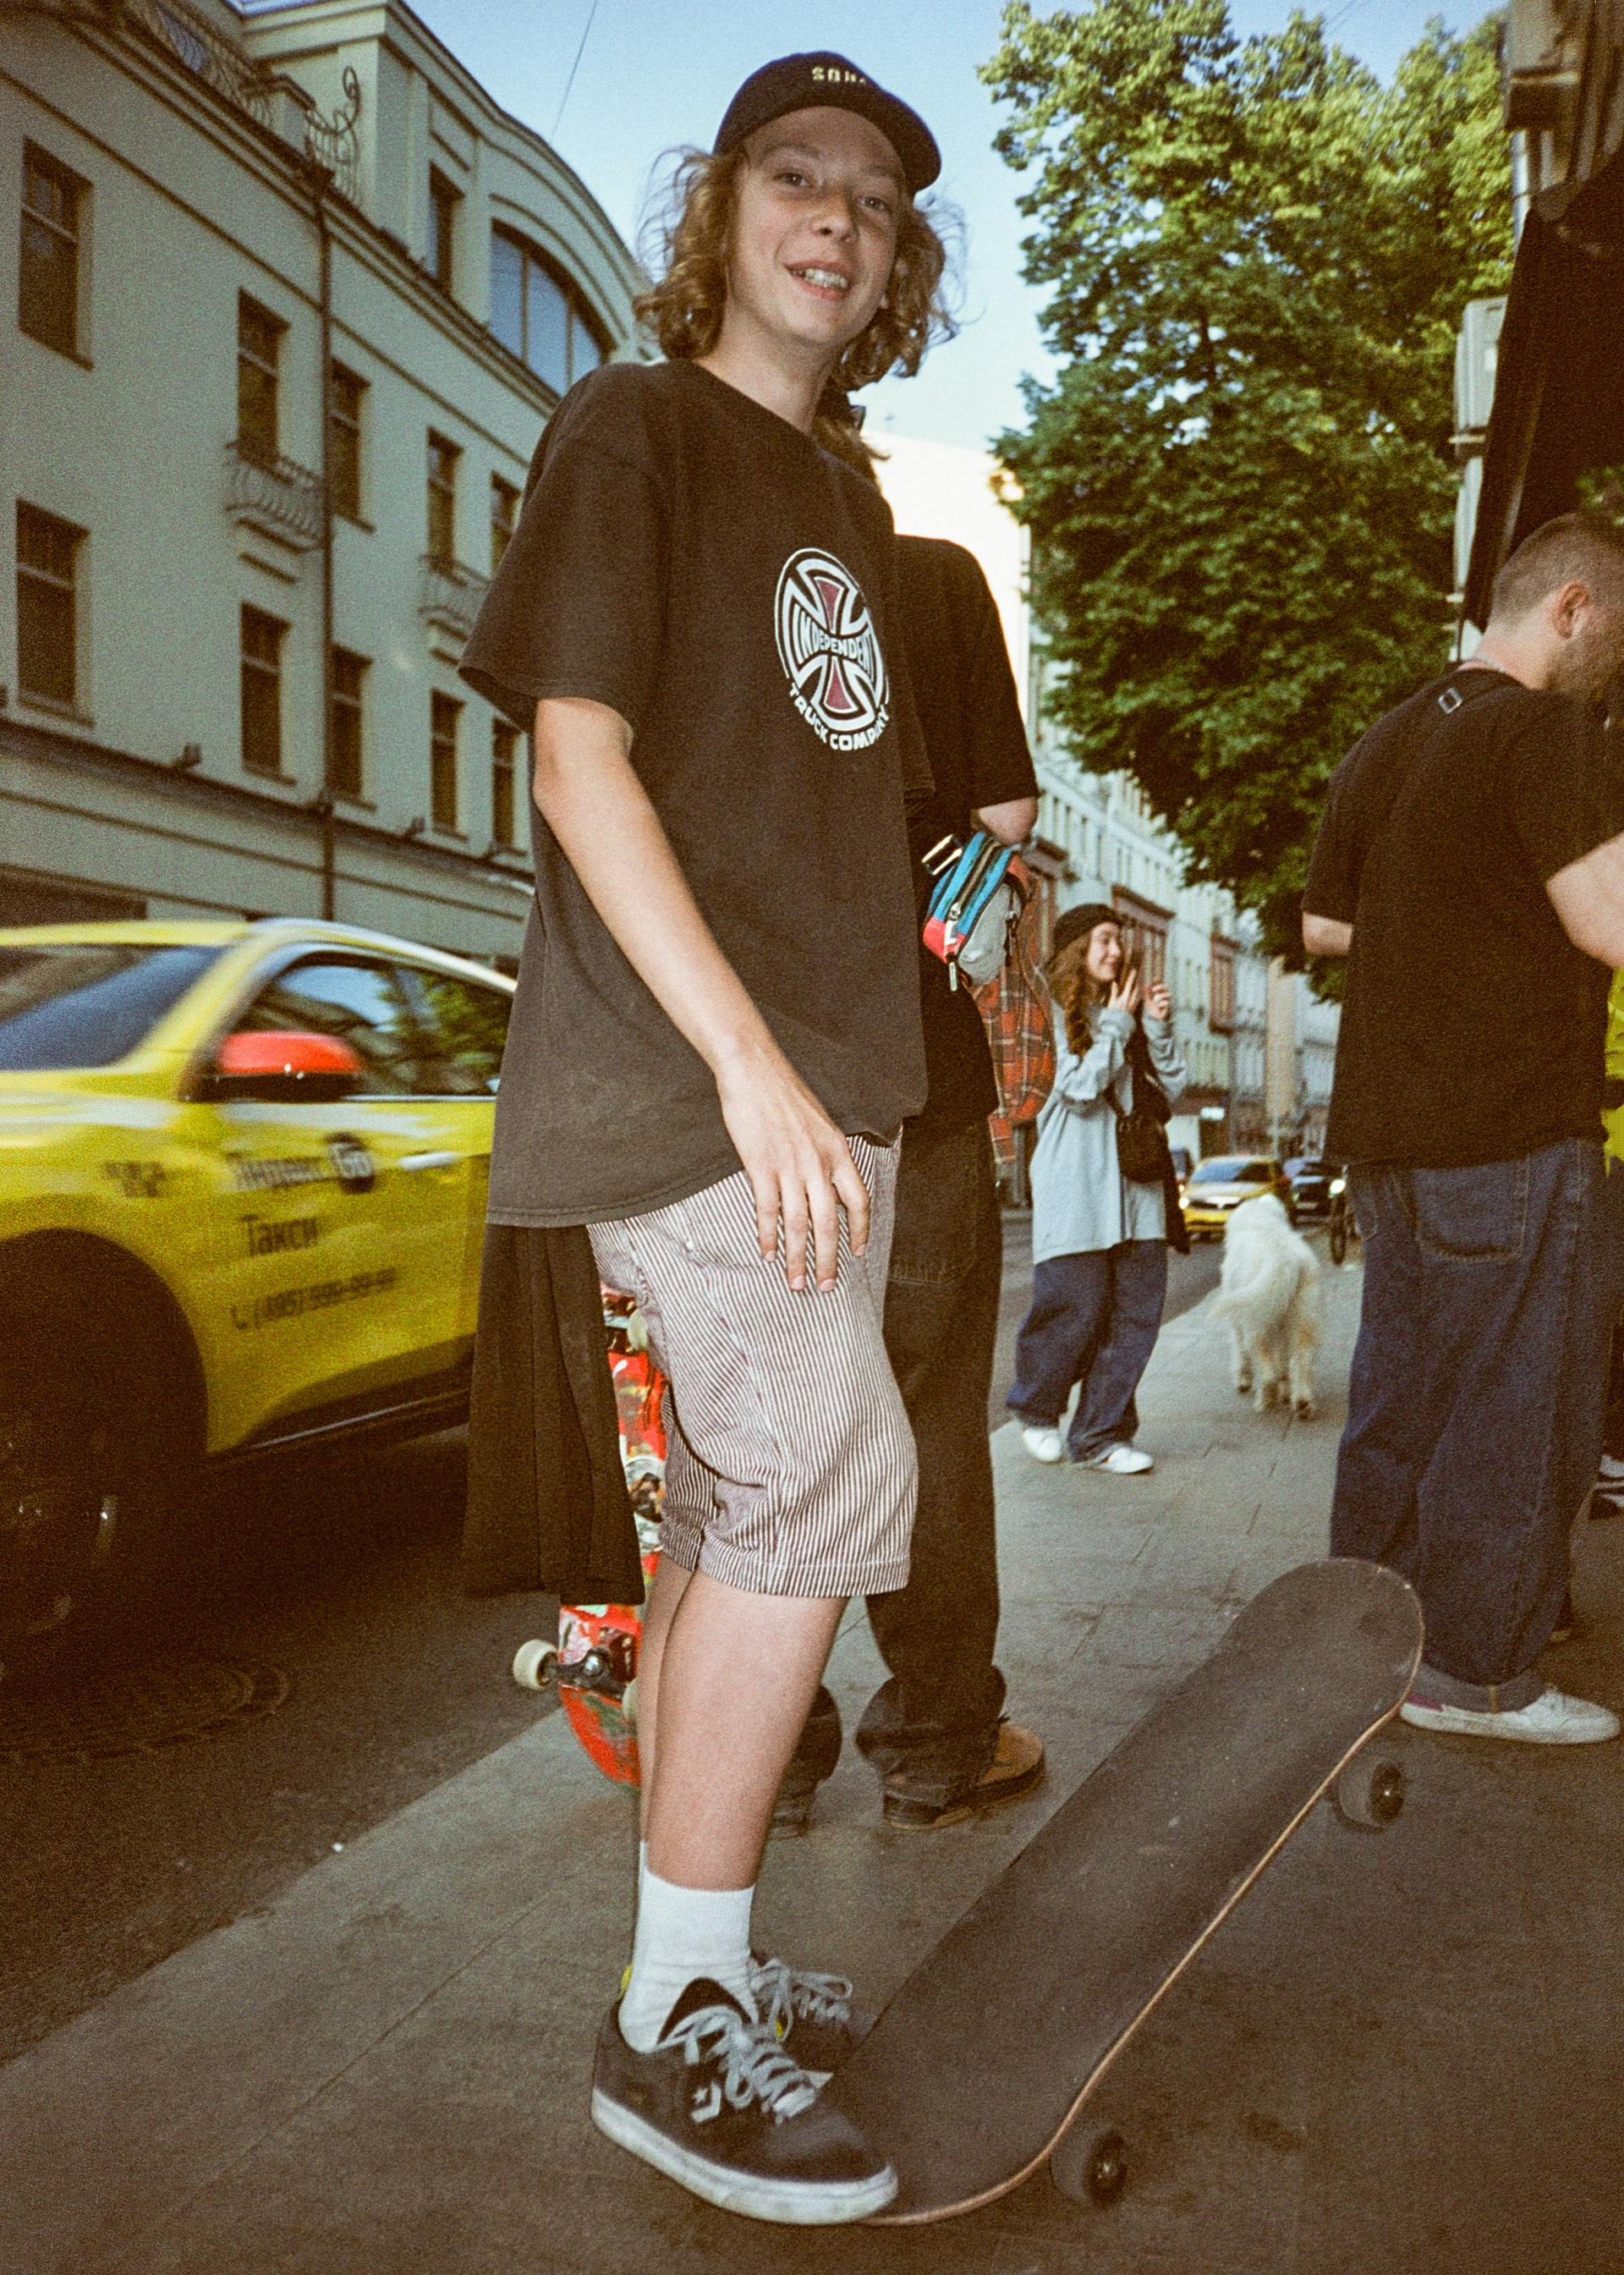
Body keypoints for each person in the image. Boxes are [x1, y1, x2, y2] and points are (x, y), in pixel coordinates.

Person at [458, 54, 952, 2223]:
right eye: (794, 175)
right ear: (720, 211)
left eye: (875, 200)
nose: (835, 219)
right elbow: (576, 760)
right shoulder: (634, 424)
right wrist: (752, 1069)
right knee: (826, 1484)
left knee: (732, 1522)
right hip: (699, 1084)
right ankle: (674, 2020)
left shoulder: (843, 495)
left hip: (828, 1088)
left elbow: (826, 812)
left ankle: (702, 1951)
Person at [1301, 512, 1624, 1746]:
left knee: (1401, 1401)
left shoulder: (1387, 740)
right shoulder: (1545, 730)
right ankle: (1480, 1676)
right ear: (1573, 606)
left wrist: (1458, 921)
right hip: (1508, 1123)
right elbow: (1609, 921)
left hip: (1390, 1133)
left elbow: (1325, 928)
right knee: (1516, 1408)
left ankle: (1364, 1645)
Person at [772, 528, 1046, 1835]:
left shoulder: (713, 553)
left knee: (759, 1416)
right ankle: (937, 1743)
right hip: (912, 1071)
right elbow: (1004, 818)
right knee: (928, 1415)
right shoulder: (932, 575)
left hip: (748, 1072)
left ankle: (763, 1755)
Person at [1006, 905, 1188, 1471]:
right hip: (1076, 1192)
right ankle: (1036, 1409)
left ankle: (1100, 1436)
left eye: (1119, 941)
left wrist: (1157, 1026)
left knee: (1135, 1320)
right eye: (1104, 940)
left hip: (1138, 1193)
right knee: (1071, 1311)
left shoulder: (1124, 1016)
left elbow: (1172, 1090)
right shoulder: (1053, 1015)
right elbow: (1080, 1089)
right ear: (1075, 949)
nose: (1116, 950)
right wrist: (1118, 1025)